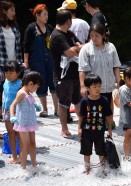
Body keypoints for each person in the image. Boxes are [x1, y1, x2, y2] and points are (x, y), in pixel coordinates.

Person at [50, 9, 82, 138]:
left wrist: (76, 48)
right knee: (64, 103)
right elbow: (69, 52)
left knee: (79, 101)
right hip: (63, 76)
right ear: (68, 21)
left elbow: (81, 45)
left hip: (75, 73)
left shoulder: (68, 33)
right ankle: (64, 128)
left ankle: (81, 126)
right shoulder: (57, 36)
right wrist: (76, 48)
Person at [78, 22, 121, 119]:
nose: (94, 38)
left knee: (108, 105)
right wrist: (82, 86)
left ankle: (109, 123)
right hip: (93, 87)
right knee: (95, 110)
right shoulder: (86, 49)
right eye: (92, 35)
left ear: (103, 35)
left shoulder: (111, 47)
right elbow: (82, 69)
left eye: (97, 36)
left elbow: (116, 66)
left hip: (108, 85)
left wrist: (119, 82)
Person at [23, 4, 58, 118]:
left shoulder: (50, 28)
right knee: (40, 84)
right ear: (37, 15)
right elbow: (26, 46)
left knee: (53, 83)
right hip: (37, 60)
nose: (46, 17)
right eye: (44, 14)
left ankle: (57, 110)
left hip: (50, 60)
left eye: (47, 14)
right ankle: (45, 109)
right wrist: (26, 61)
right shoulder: (31, 28)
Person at [78, 73, 113, 174]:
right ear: (88, 88)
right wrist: (79, 129)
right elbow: (81, 116)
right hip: (86, 131)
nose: (98, 89)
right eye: (94, 87)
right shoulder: (84, 101)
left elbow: (108, 116)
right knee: (86, 151)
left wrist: (109, 130)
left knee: (101, 151)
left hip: (99, 131)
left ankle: (103, 168)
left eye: (99, 86)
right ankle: (87, 168)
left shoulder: (104, 100)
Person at [10, 71, 42, 169]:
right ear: (30, 83)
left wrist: (35, 105)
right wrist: (12, 116)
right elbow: (12, 105)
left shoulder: (28, 92)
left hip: (31, 121)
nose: (36, 89)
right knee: (26, 144)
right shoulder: (21, 93)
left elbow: (29, 102)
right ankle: (23, 167)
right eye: (36, 87)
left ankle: (34, 165)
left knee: (33, 143)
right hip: (22, 123)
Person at [0, 0, 22, 128]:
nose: (14, 13)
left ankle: (14, 122)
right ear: (3, 11)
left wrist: (20, 64)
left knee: (15, 93)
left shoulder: (15, 26)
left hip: (15, 65)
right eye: (11, 10)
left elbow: (18, 46)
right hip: (1, 65)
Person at [2, 61, 21, 163]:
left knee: (19, 134)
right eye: (6, 73)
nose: (8, 75)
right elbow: (5, 97)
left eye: (11, 73)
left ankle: (22, 155)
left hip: (18, 112)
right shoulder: (5, 82)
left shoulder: (21, 84)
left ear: (18, 73)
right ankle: (14, 156)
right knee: (11, 134)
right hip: (7, 111)